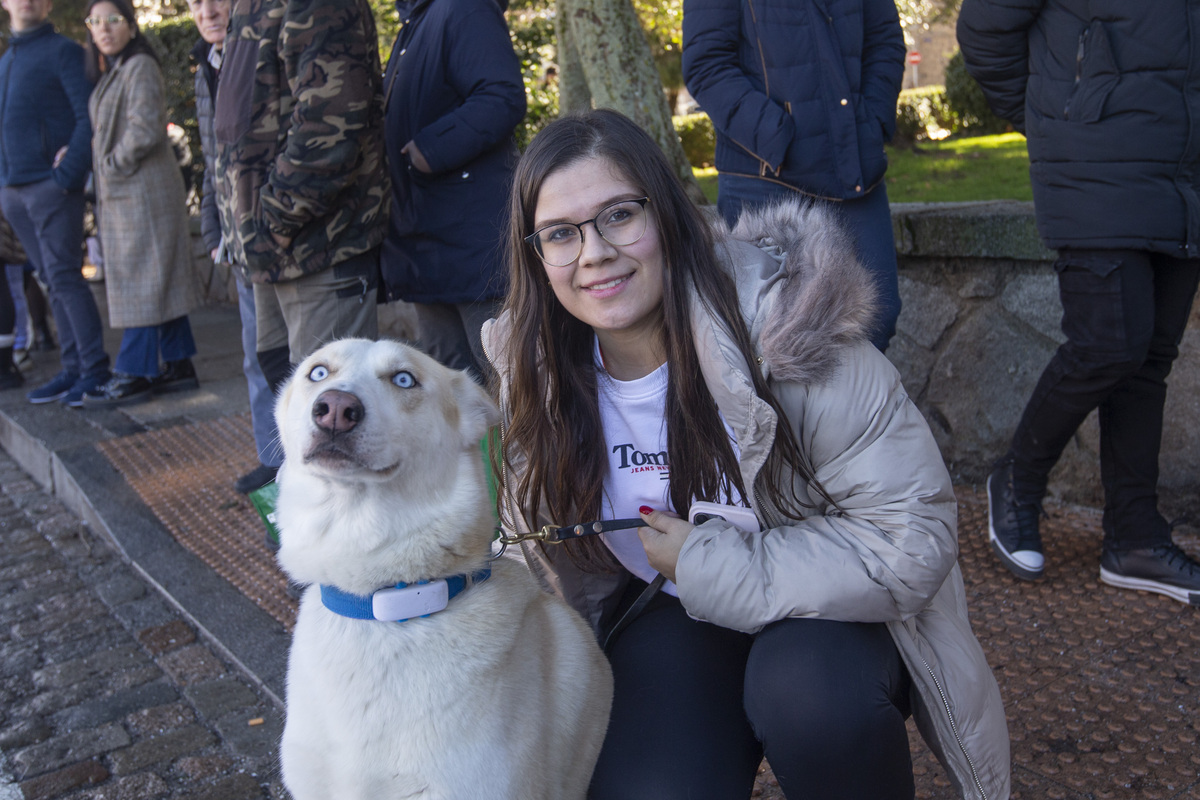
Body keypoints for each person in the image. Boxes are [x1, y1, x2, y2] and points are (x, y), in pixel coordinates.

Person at [482, 109, 1009, 800]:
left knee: (810, 696)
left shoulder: (791, 332)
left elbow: (911, 538)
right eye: (561, 234)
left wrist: (712, 563)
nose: (594, 252)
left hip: (828, 614)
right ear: (536, 254)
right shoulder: (540, 374)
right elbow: (530, 554)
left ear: (666, 214)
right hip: (672, 613)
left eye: (618, 216)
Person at [958, 1, 1200, 605]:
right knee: (1107, 344)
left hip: (1185, 170)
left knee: (1148, 362)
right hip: (1094, 165)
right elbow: (984, 30)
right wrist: (1055, 120)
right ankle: (1018, 478)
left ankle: (1135, 539)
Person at [681, 0, 905, 352]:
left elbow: (885, 40)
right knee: (766, 335)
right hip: (762, 178)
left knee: (877, 319)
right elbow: (706, 65)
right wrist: (778, 138)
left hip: (854, 172)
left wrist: (870, 122)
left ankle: (855, 409)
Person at [214, 0, 389, 396]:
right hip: (271, 252)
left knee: (337, 417)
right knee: (293, 409)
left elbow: (334, 116)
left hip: (319, 245)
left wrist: (274, 220)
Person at [379, 0, 525, 382]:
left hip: (475, 250)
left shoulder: (464, 7)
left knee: (509, 384)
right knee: (454, 400)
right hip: (428, 254)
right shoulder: (417, 21)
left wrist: (430, 150)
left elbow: (501, 96)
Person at [78, 0, 201, 408]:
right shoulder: (117, 68)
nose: (104, 28)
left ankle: (134, 371)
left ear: (131, 25)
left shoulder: (139, 66)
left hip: (142, 194)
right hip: (134, 194)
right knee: (156, 278)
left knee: (142, 282)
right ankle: (180, 365)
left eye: (113, 19)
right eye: (95, 21)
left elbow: (146, 128)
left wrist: (112, 163)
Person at [0, 0, 112, 407]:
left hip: (50, 189)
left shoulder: (65, 52)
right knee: (51, 280)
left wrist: (66, 178)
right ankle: (73, 370)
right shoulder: (8, 59)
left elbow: (89, 118)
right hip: (13, 192)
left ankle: (95, 371)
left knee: (64, 277)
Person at [188, 0, 280, 493]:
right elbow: (212, 163)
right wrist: (211, 230)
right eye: (195, 3)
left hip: (275, 235)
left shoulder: (263, 52)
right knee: (254, 354)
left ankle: (297, 469)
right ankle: (271, 458)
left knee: (285, 356)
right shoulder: (206, 66)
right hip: (237, 240)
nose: (208, 12)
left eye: (217, 0)